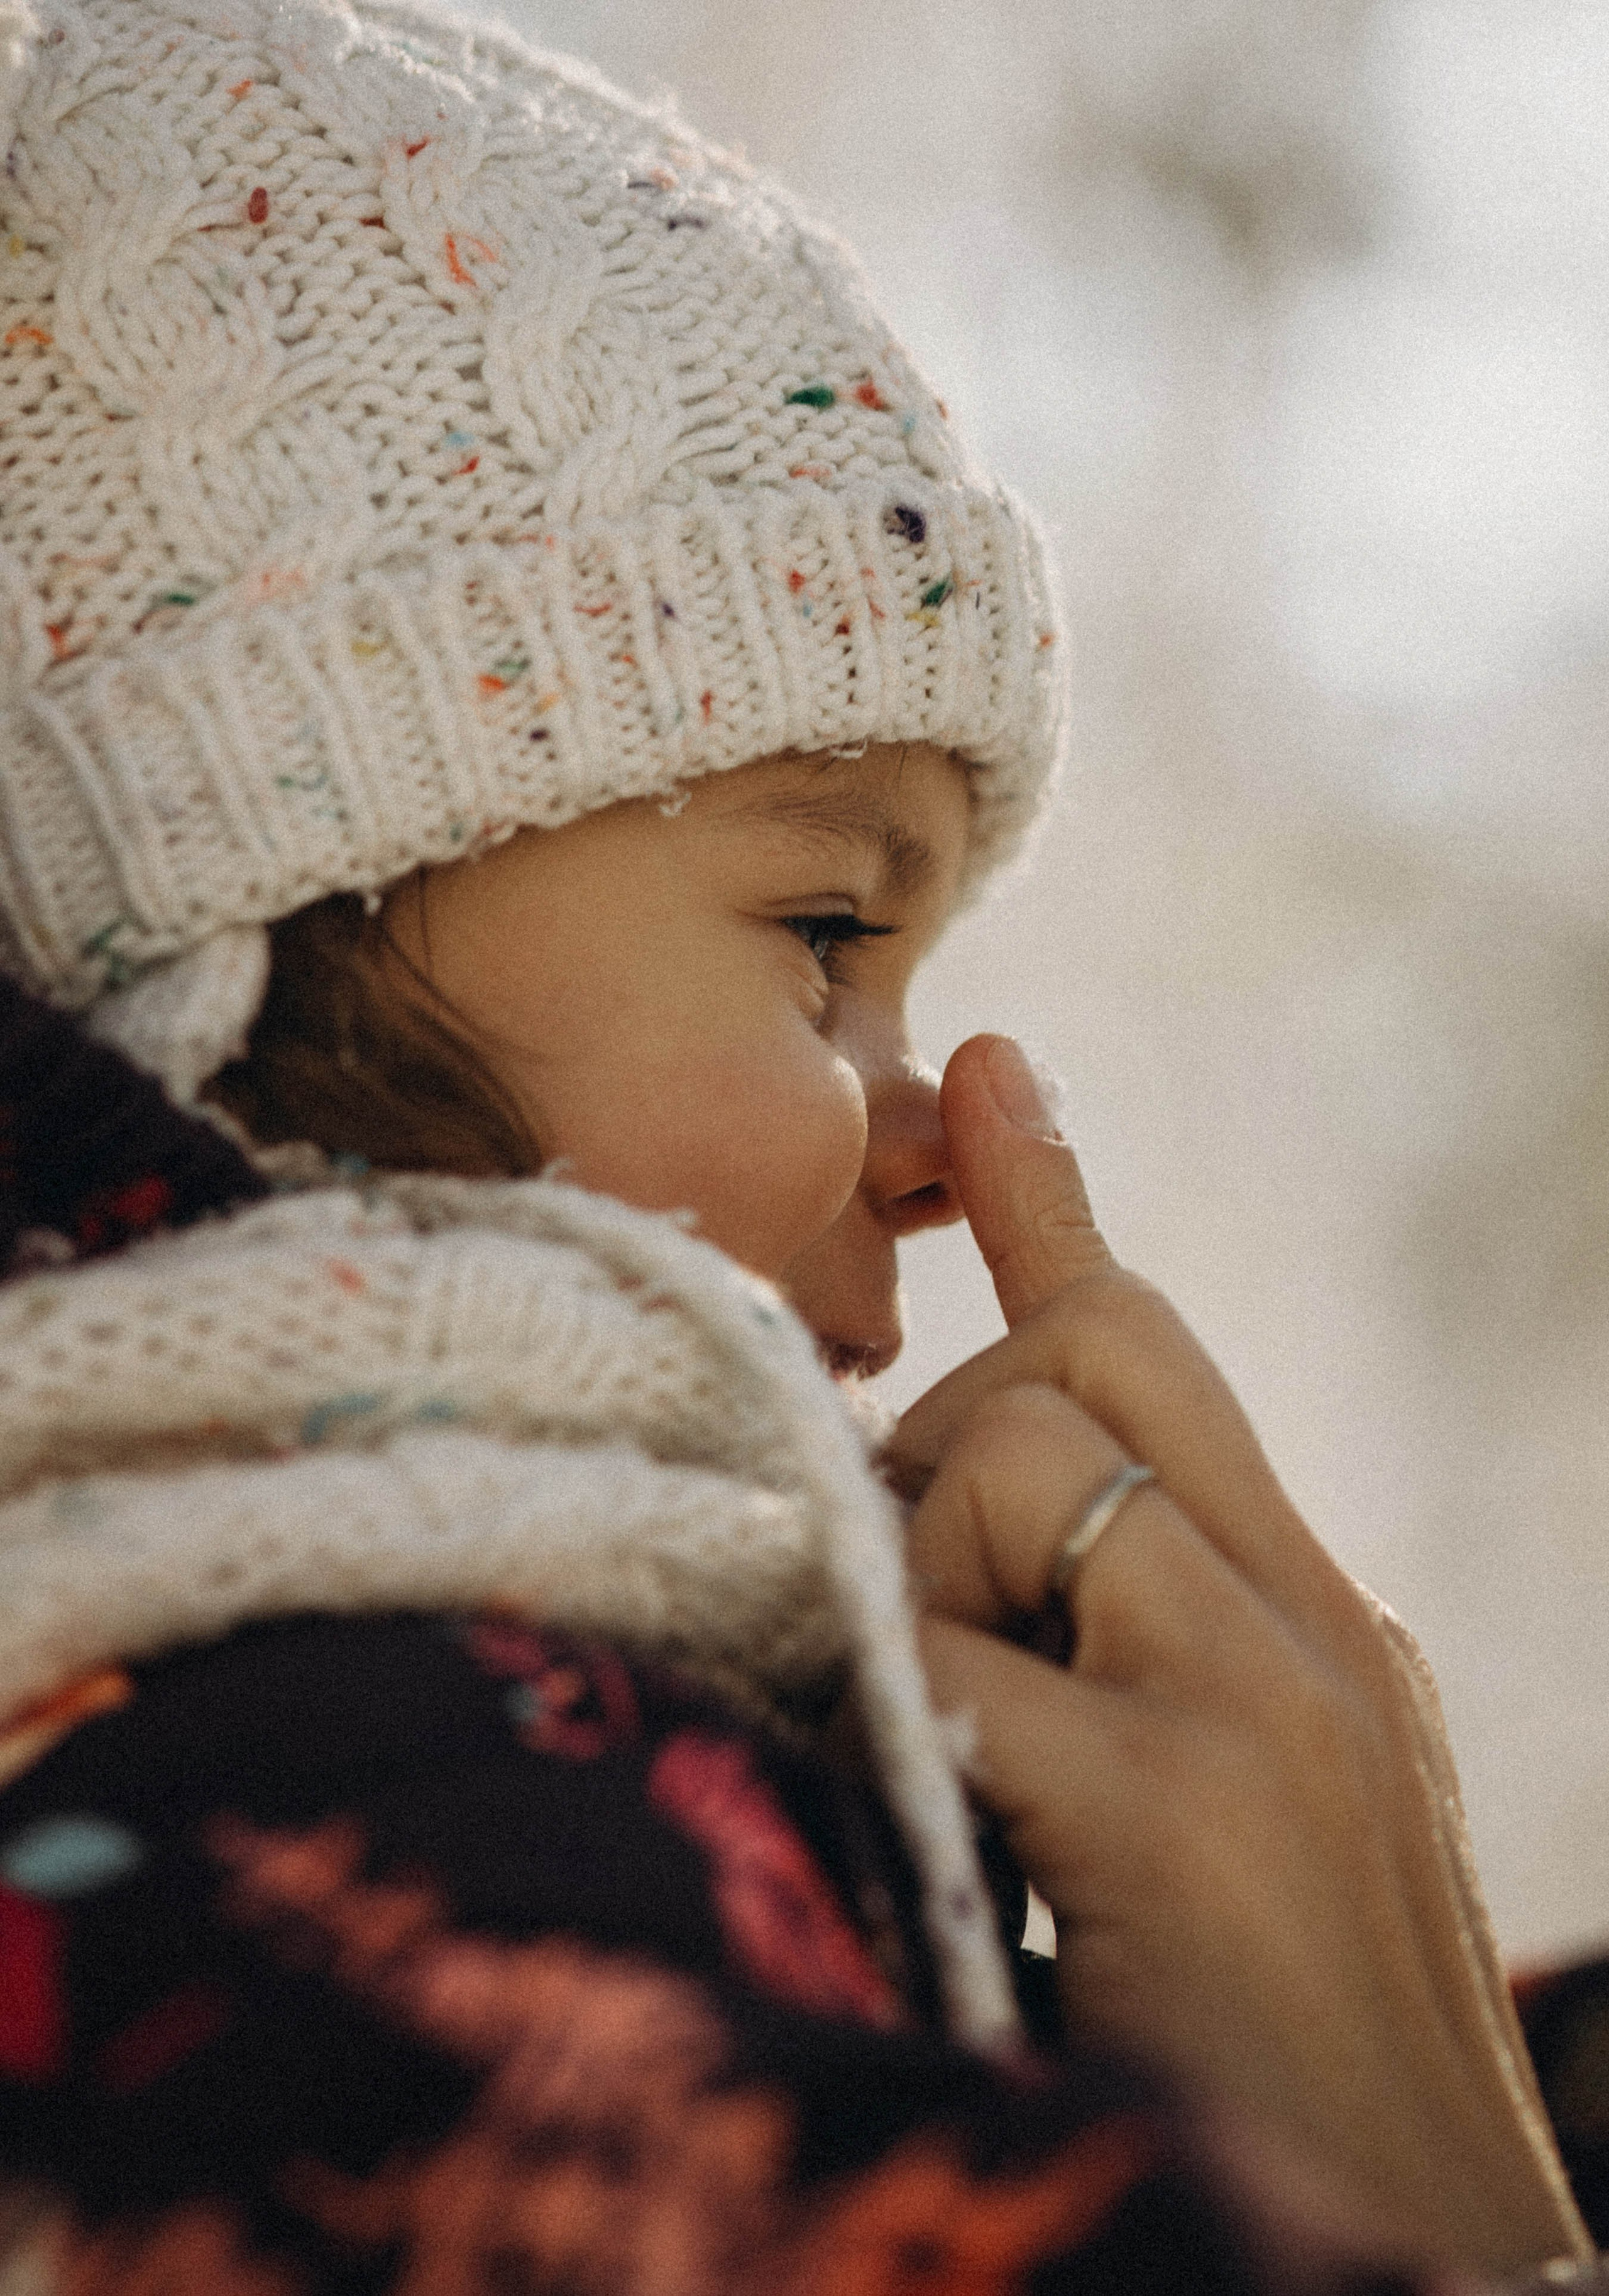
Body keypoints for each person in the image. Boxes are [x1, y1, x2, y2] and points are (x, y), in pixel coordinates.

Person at [0, 0, 1591, 2285]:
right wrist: (1451, 2208)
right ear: (228, 895)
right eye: (827, 926)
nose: (949, 1134)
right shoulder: (357, 1894)